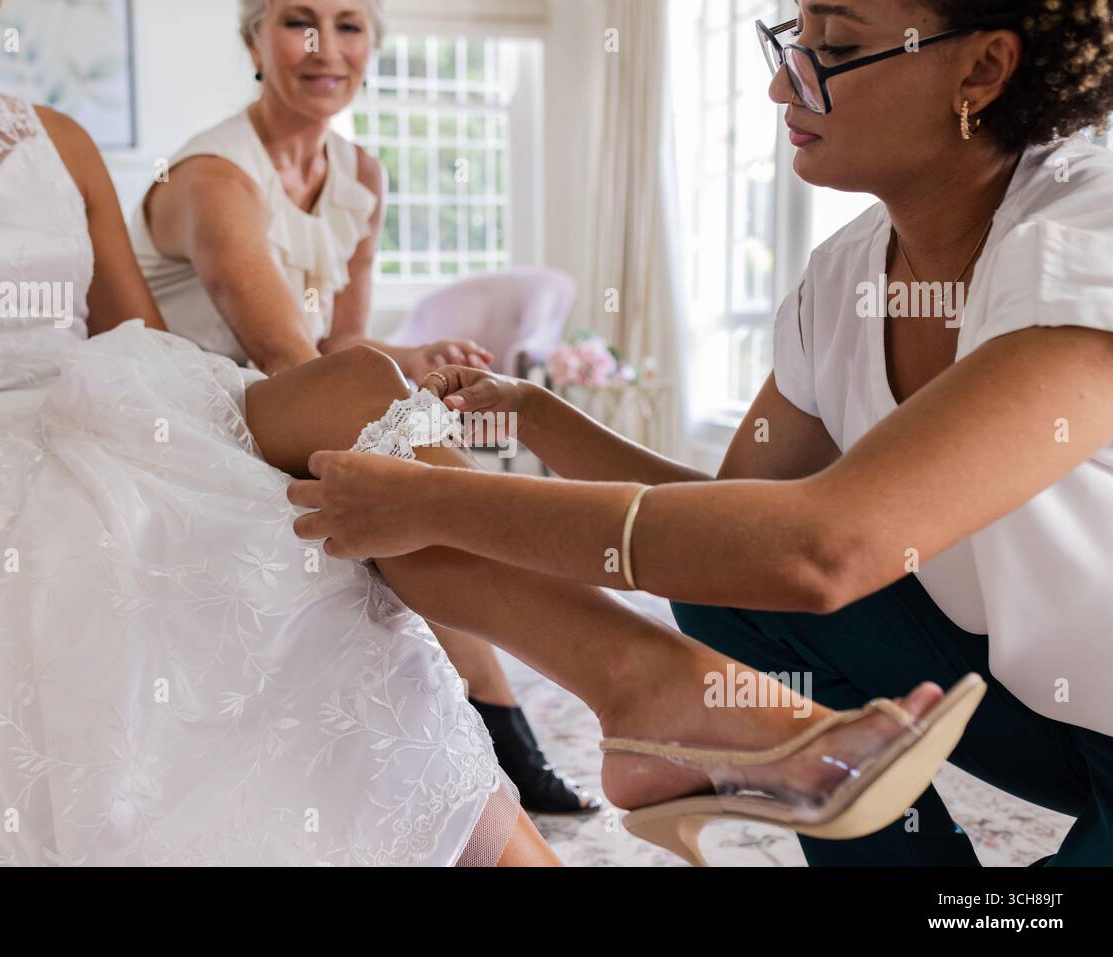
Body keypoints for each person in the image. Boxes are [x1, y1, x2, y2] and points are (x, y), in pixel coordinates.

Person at [287, 0, 1113, 866]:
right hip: (1038, 712)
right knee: (727, 574)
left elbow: (823, 549)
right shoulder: (843, 277)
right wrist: (536, 414)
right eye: (796, 44)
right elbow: (730, 519)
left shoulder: (1080, 240)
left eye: (834, 48)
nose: (780, 83)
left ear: (980, 69)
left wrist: (443, 501)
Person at [129, 0, 595, 813]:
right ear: (252, 42)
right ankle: (531, 673)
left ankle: (505, 722)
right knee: (416, 487)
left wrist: (409, 361)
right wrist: (386, 386)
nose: (325, 48)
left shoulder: (361, 177)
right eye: (297, 22)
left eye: (349, 24)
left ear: (374, 45)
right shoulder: (212, 176)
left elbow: (339, 340)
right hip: (188, 409)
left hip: (290, 395)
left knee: (420, 489)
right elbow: (285, 359)